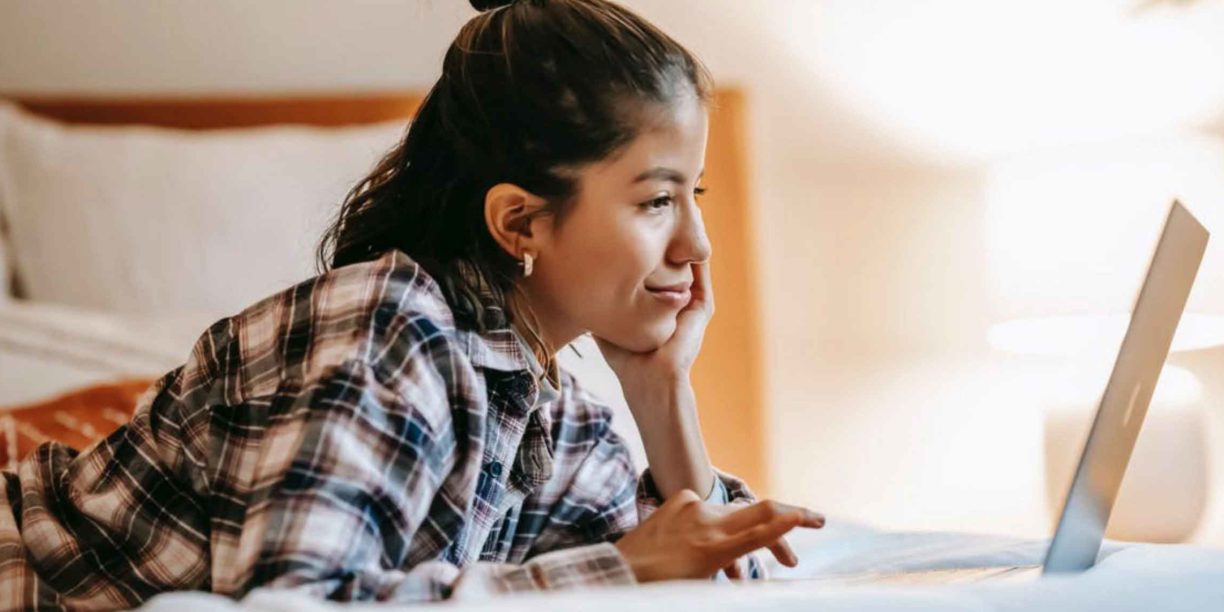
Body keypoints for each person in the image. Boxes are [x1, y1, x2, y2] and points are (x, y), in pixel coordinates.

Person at [0, 0, 824, 607]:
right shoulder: (386, 330)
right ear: (519, 220)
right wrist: (621, 567)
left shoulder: (547, 409)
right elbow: (295, 600)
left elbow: (724, 584)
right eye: (655, 201)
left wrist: (661, 392)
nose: (699, 245)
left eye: (697, 193)